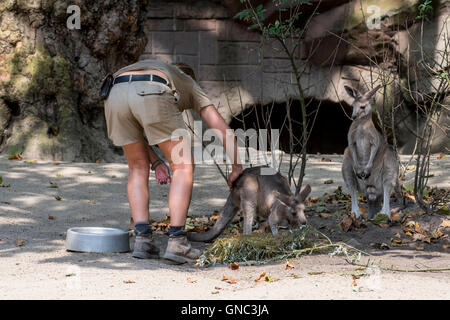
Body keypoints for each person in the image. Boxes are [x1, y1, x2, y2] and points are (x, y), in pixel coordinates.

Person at [103, 59, 243, 264]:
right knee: (183, 166)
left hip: (114, 91)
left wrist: (157, 162)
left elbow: (139, 134)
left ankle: (143, 241)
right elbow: (219, 126)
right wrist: (237, 166)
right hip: (152, 90)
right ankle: (178, 242)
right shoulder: (188, 83)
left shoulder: (158, 67)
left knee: (137, 168)